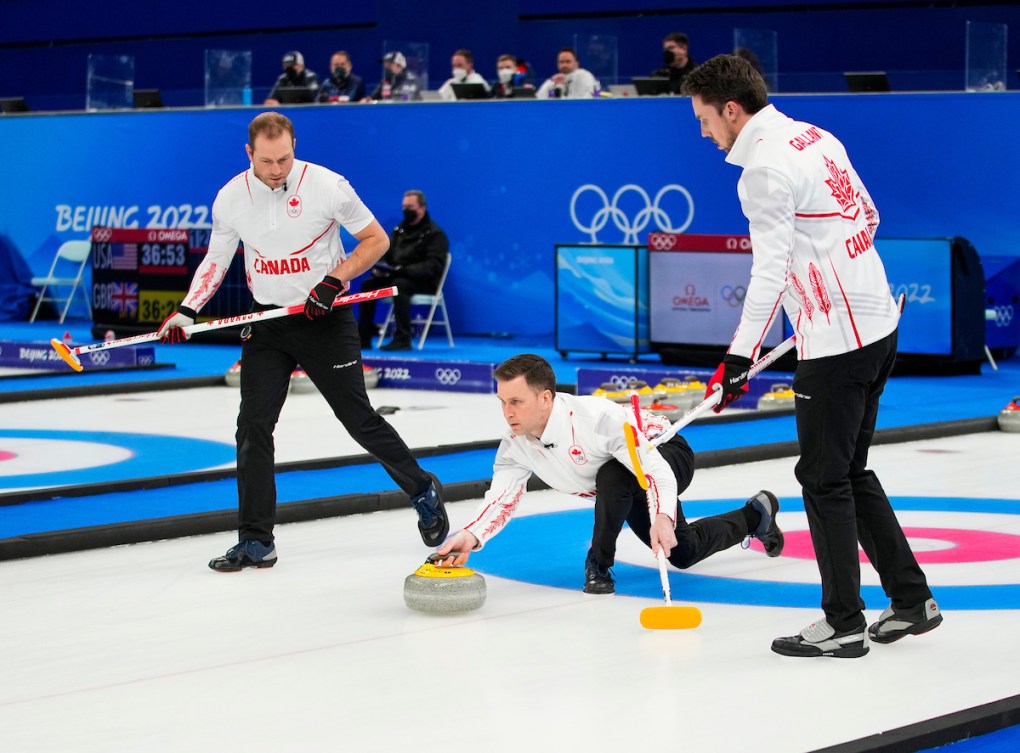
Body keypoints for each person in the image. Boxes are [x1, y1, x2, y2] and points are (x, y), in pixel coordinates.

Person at [681, 54, 942, 658]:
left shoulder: (763, 171)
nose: (703, 132)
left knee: (823, 481)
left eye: (703, 118)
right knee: (850, 471)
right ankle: (910, 600)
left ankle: (843, 623)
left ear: (730, 109)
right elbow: (868, 217)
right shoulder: (818, 136)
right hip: (878, 325)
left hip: (836, 345)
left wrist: (738, 357)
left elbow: (769, 271)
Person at [156, 112, 448, 571]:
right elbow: (216, 258)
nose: (277, 170)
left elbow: (374, 242)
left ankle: (422, 488)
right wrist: (188, 308)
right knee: (252, 427)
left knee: (358, 420)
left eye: (285, 159)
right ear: (249, 153)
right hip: (269, 323)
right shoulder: (231, 197)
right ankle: (256, 540)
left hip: (325, 320)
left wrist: (335, 279)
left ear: (295, 147)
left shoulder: (328, 186)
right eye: (267, 161)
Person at [434, 354, 784, 595]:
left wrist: (661, 515)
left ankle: (597, 566)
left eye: (516, 402)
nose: (507, 413)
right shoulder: (516, 444)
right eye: (502, 402)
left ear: (545, 398)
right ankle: (755, 515)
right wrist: (472, 535)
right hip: (620, 485)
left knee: (613, 476)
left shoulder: (597, 420)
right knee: (683, 552)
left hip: (665, 452)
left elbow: (655, 470)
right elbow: (501, 500)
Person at [358, 190, 448, 351]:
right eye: (404, 206)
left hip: (423, 282)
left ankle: (403, 338)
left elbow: (433, 266)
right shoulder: (399, 231)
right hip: (396, 275)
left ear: (422, 208)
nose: (406, 210)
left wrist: (404, 270)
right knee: (368, 284)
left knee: (398, 285)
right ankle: (363, 336)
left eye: (410, 207)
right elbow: (387, 254)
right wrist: (380, 267)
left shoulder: (435, 234)